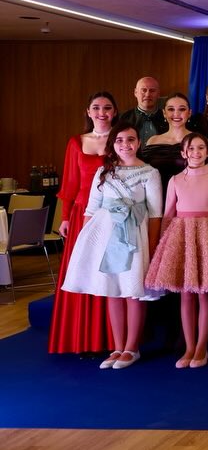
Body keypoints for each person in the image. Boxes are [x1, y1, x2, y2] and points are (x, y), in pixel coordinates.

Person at [60, 124, 163, 369]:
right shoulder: (103, 172)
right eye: (119, 140)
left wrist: (151, 246)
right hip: (106, 238)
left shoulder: (149, 173)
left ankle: (132, 348)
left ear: (138, 143)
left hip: (134, 237)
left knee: (132, 292)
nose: (125, 145)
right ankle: (118, 346)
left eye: (130, 139)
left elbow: (155, 214)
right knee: (112, 292)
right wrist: (87, 244)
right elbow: (91, 209)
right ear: (112, 144)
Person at [144, 133, 208, 369]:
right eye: (191, 148)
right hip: (181, 237)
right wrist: (164, 246)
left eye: (201, 148)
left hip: (207, 238)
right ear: (183, 153)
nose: (196, 152)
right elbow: (168, 215)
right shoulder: (175, 180)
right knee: (186, 294)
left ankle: (202, 347)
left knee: (205, 293)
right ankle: (189, 347)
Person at [50, 91, 118, 355]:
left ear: (114, 112)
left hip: (113, 215)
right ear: (88, 112)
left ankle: (113, 339)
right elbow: (70, 184)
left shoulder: (122, 139)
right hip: (82, 216)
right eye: (96, 107)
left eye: (107, 107)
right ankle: (83, 338)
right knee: (83, 271)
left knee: (108, 272)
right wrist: (65, 218)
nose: (102, 112)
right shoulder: (76, 142)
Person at [140, 92, 191, 195]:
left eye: (182, 109)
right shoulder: (152, 141)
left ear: (189, 113)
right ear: (164, 113)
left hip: (188, 197)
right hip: (156, 196)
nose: (176, 114)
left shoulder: (199, 141)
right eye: (171, 109)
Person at [120, 76, 167, 146]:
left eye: (152, 91)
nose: (147, 95)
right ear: (135, 92)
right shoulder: (124, 118)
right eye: (144, 90)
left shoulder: (167, 117)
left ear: (158, 94)